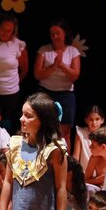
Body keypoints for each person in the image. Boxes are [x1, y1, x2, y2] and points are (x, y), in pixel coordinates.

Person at [33, 19, 81, 150]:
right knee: (43, 129)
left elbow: (75, 76)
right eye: (52, 34)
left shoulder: (73, 51)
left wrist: (62, 65)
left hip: (66, 95)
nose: (55, 36)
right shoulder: (44, 50)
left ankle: (65, 160)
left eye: (57, 33)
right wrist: (54, 66)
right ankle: (41, 158)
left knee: (64, 133)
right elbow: (37, 75)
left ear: (65, 33)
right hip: (45, 94)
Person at [73, 105, 105, 173]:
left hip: (100, 174)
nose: (94, 122)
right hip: (84, 173)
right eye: (91, 119)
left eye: (97, 119)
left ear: (102, 120)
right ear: (86, 120)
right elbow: (76, 157)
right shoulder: (81, 133)